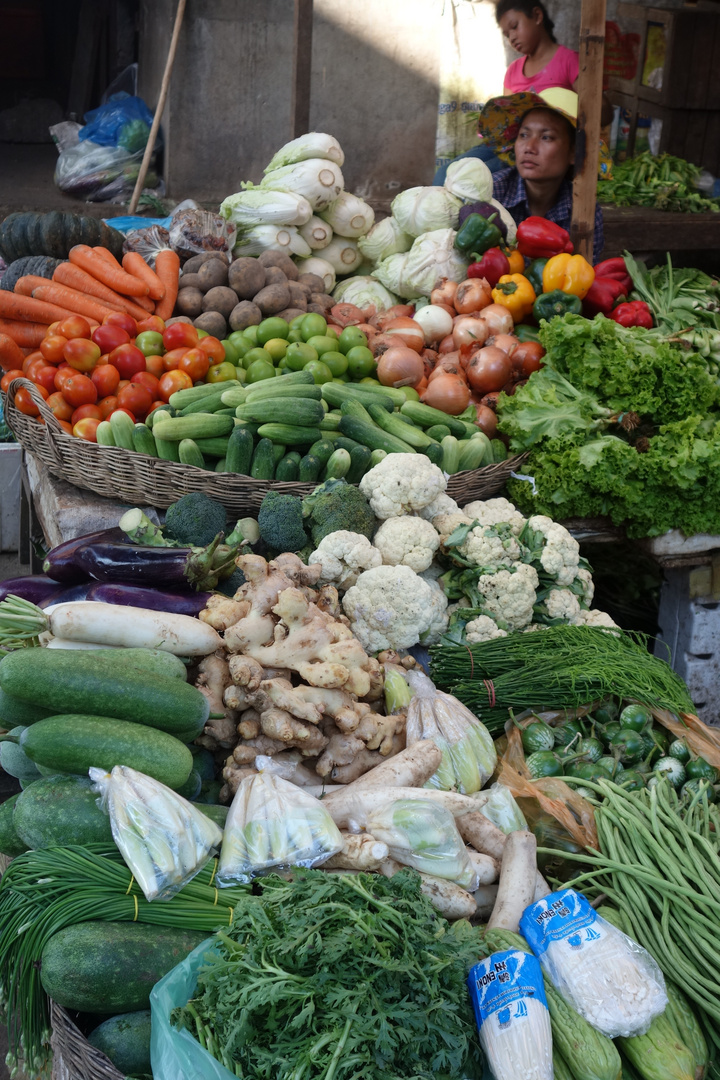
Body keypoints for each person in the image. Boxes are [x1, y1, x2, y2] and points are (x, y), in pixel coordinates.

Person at [477, 87, 608, 263]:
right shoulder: (492, 194)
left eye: (546, 137)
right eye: (524, 135)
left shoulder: (584, 210)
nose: (529, 147)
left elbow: (584, 275)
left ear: (573, 153)